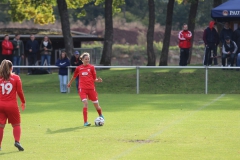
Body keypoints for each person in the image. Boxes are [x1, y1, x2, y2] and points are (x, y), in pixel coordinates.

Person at [67, 52, 104, 126]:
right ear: (82, 60)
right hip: (82, 89)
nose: (87, 60)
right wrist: (69, 83)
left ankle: (101, 116)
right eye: (86, 59)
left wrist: (98, 80)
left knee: (96, 105)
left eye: (88, 59)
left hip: (91, 89)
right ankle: (85, 122)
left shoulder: (92, 67)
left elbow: (94, 79)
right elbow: (74, 76)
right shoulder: (78, 68)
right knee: (85, 103)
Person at [0, 60, 26, 151]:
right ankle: (17, 141)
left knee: (1, 126)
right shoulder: (16, 78)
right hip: (11, 105)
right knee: (16, 124)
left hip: (0, 105)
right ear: (11, 68)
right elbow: (19, 92)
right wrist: (23, 101)